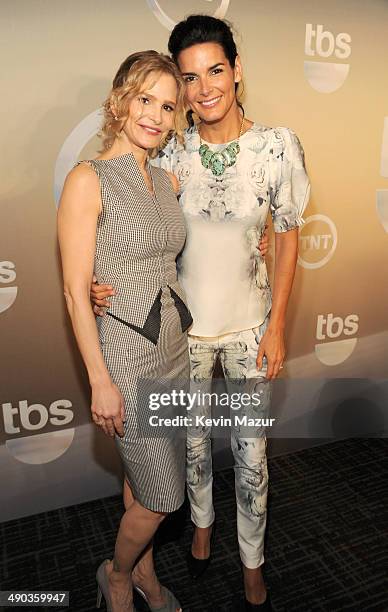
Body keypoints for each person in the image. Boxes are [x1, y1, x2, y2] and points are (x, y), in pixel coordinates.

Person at [91, 14, 310, 612]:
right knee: (187, 453)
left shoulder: (276, 146)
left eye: (215, 70)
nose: (203, 87)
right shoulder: (168, 153)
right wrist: (94, 283)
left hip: (247, 332)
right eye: (188, 77)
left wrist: (278, 325)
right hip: (179, 338)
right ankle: (203, 528)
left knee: (251, 458)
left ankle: (253, 563)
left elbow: (286, 235)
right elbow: (134, 234)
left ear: (237, 72)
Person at [58, 50, 192, 612]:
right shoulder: (88, 180)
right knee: (164, 496)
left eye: (167, 106)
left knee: (142, 481)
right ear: (120, 100)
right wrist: (99, 379)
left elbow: (164, 253)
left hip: (173, 350)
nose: (156, 116)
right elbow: (74, 289)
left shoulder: (166, 178)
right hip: (126, 357)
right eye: (145, 100)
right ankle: (115, 575)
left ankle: (147, 577)